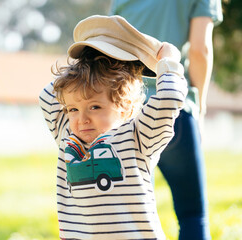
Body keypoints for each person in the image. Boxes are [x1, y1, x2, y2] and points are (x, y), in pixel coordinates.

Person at [39, 15, 187, 239]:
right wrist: (91, 54)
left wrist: (167, 62)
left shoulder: (138, 137)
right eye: (73, 109)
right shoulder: (67, 134)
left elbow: (168, 99)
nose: (82, 119)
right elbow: (49, 94)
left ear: (125, 107)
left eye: (95, 107)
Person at [109, 0, 223, 239]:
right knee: (192, 215)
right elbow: (199, 50)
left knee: (132, 217)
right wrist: (199, 106)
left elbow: (109, 48)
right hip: (173, 107)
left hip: (127, 111)